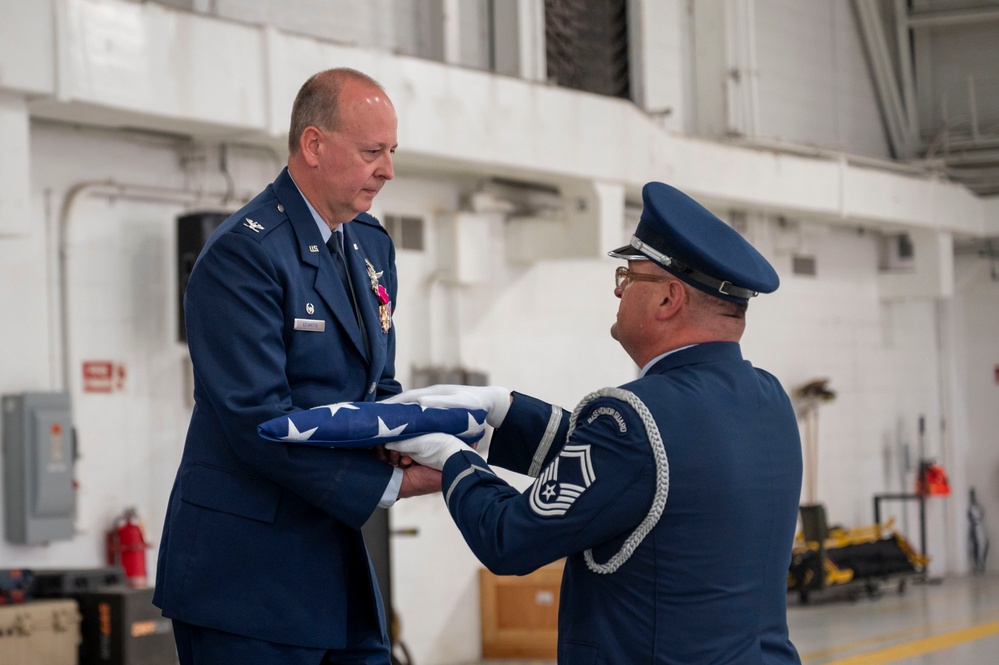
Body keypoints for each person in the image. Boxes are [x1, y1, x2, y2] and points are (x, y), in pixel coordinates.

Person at [385, 182, 803, 664]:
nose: (617, 287)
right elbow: (632, 475)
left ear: (669, 299)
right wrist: (503, 413)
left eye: (629, 276)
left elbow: (510, 539)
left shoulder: (634, 417)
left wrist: (453, 458)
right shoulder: (769, 398)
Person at [153, 68, 440, 665]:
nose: (387, 170)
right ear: (314, 145)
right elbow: (259, 420)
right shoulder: (244, 254)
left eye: (391, 152)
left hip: (334, 558)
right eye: (371, 152)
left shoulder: (369, 244)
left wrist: (422, 438)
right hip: (245, 578)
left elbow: (374, 385)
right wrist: (387, 483)